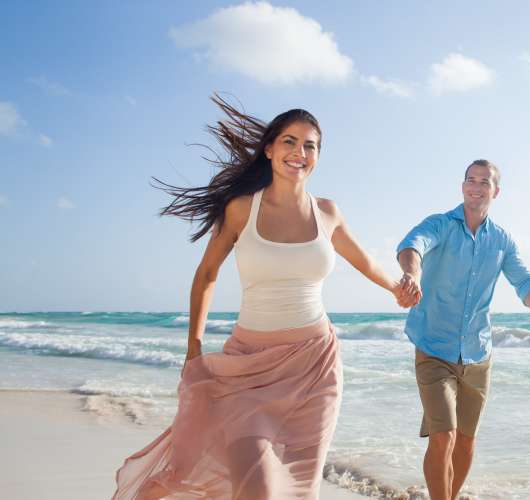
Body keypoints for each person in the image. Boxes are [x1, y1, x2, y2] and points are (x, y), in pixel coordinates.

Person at [113, 95, 414, 499]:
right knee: (257, 488)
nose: (299, 153)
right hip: (248, 368)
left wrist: (399, 288)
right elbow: (205, 275)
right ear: (270, 149)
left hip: (315, 368)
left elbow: (364, 262)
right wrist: (194, 348)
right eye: (289, 142)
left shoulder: (328, 212)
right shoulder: (241, 210)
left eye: (310, 145)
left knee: (299, 490)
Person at [395, 159, 530, 500]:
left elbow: (523, 278)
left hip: (478, 352)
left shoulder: (502, 240)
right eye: (470, 180)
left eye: (484, 182)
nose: (476, 187)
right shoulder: (440, 224)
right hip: (433, 347)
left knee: (466, 440)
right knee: (444, 435)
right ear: (462, 185)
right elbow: (412, 246)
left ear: (496, 191)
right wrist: (412, 274)